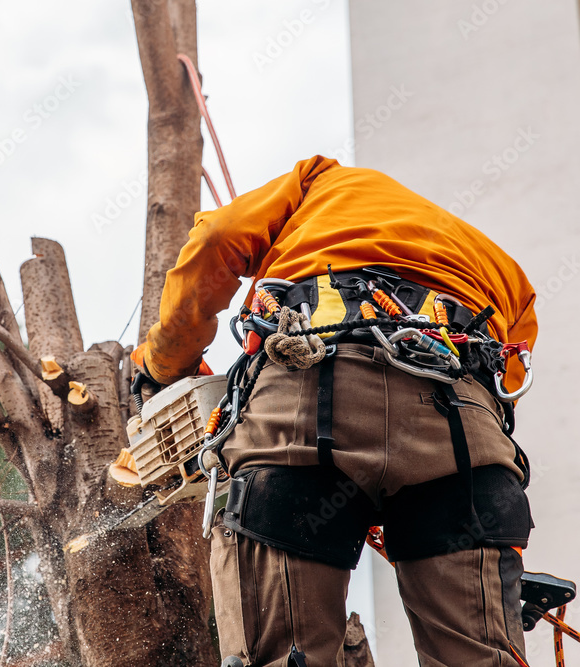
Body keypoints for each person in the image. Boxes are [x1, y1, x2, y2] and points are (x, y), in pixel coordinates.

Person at [131, 155, 537, 666]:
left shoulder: (319, 181)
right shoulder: (504, 270)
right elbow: (509, 382)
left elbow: (218, 238)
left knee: (284, 657)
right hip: (461, 435)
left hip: (307, 407)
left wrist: (163, 364)